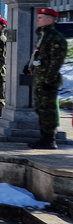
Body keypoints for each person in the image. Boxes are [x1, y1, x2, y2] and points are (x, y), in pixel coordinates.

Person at [28, 8, 66, 149]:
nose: (36, 20)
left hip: (47, 81)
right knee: (40, 109)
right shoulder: (43, 36)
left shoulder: (55, 38)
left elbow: (56, 62)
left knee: (48, 110)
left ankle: (50, 139)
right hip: (40, 78)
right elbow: (38, 55)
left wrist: (48, 80)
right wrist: (29, 65)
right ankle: (44, 137)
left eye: (40, 17)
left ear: (49, 20)